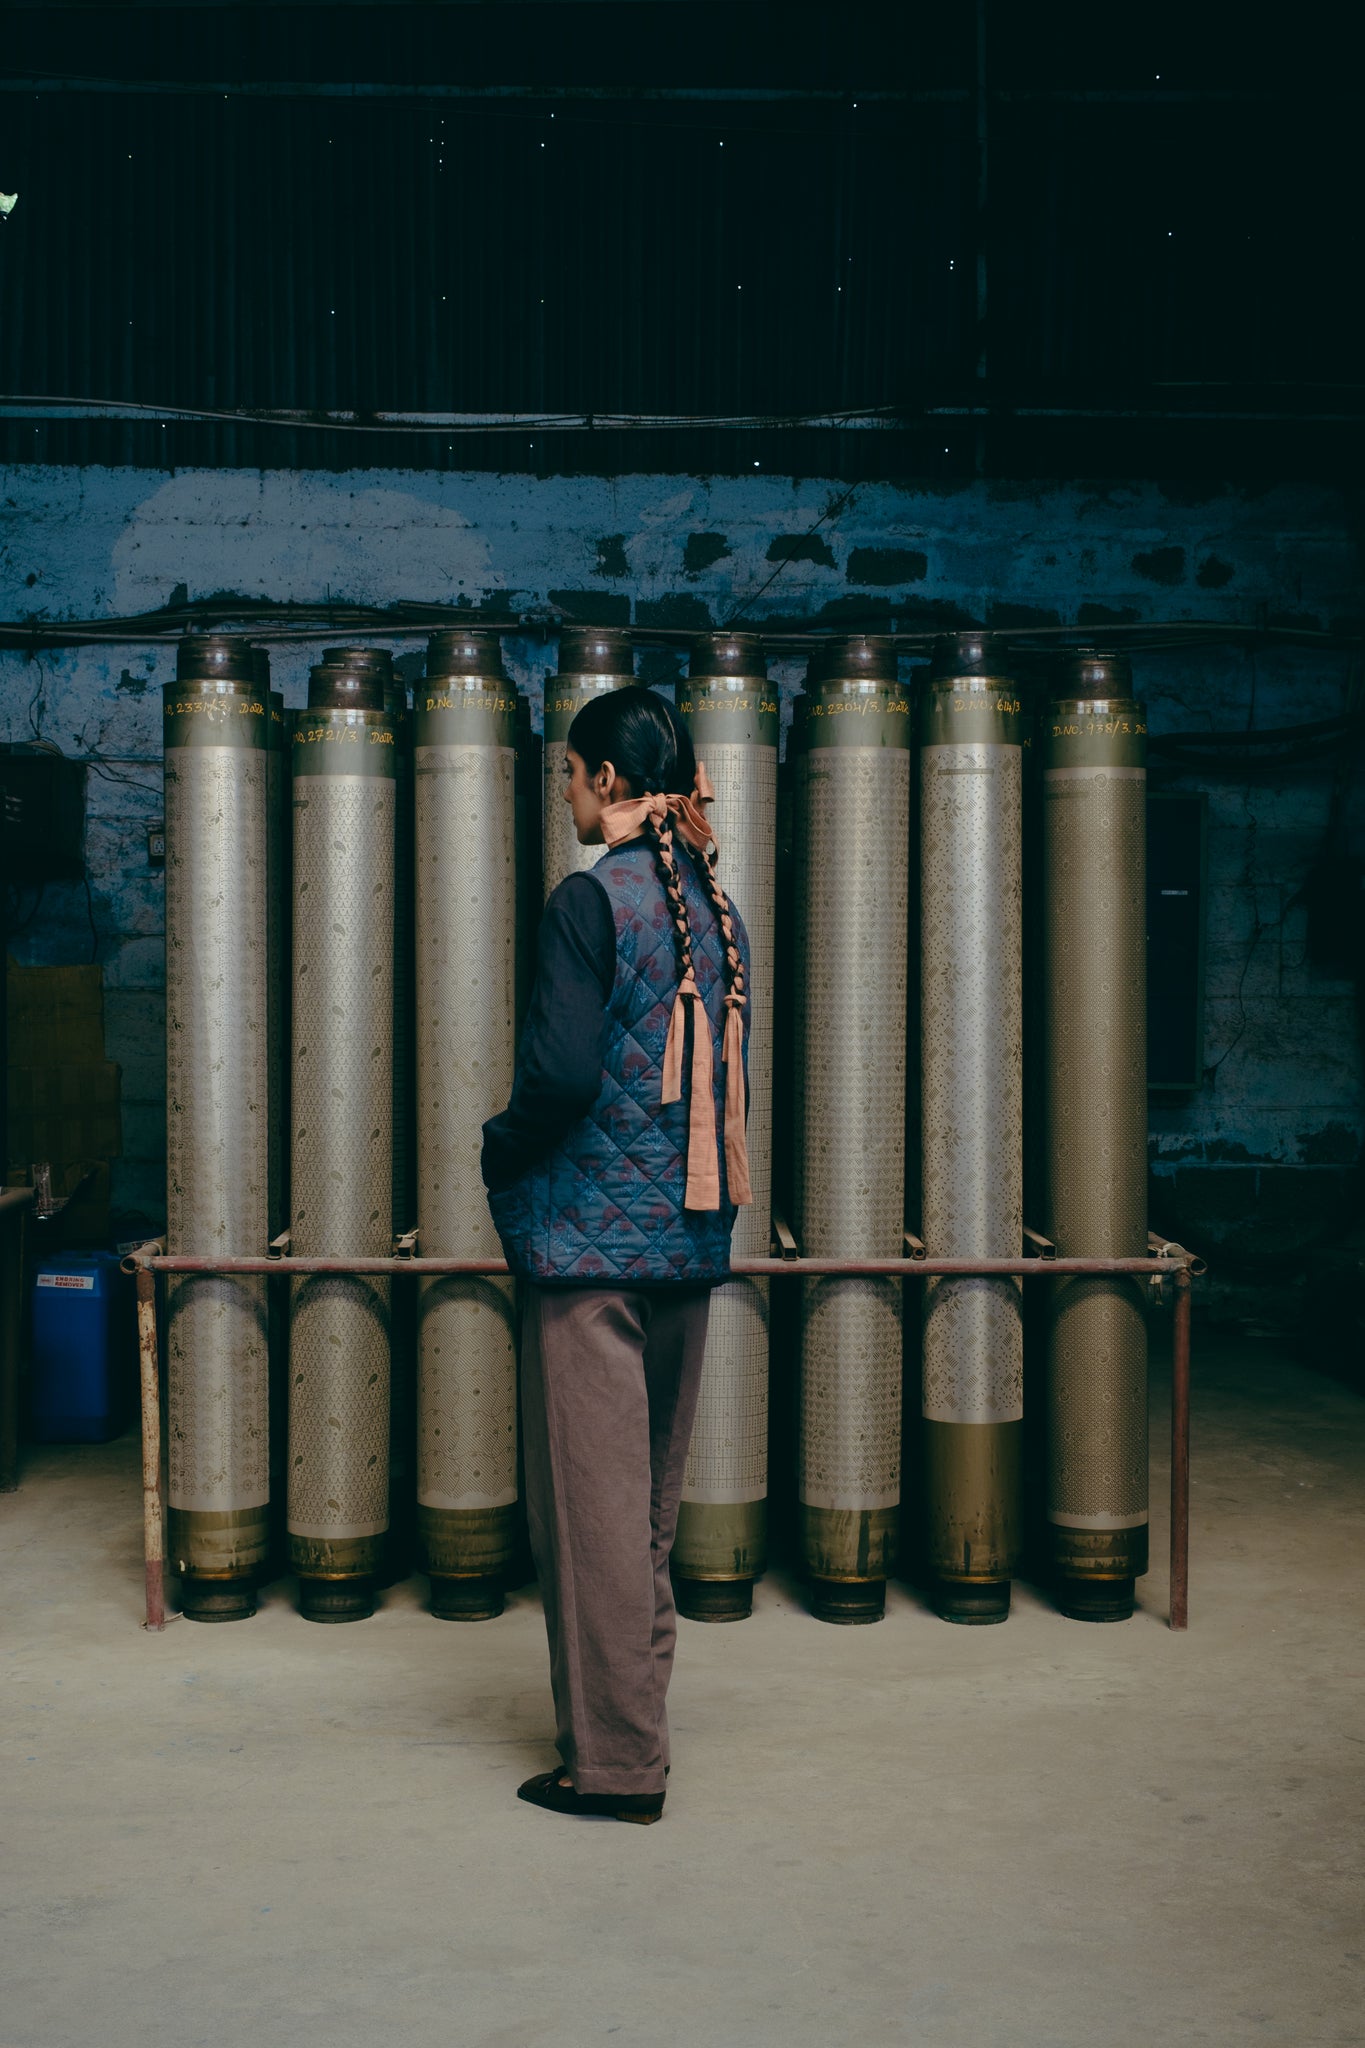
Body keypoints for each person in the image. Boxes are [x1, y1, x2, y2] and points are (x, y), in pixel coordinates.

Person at [482, 683, 752, 1825]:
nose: (566, 795)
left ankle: (616, 1769)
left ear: (604, 779)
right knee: (640, 1520)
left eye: (569, 774)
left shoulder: (588, 901)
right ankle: (636, 1734)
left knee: (590, 1520)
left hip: (589, 1262)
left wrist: (498, 1148)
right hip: (688, 1248)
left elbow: (559, 1076)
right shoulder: (715, 907)